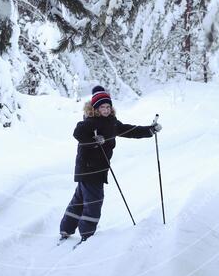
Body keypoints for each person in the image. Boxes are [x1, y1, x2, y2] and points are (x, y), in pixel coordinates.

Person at [59, 85, 162, 242]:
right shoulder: (91, 121)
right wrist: (94, 141)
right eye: (102, 107)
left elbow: (130, 131)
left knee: (80, 199)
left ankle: (66, 228)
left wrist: (149, 130)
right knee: (94, 201)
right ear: (95, 108)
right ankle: (87, 235)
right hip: (90, 169)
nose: (106, 109)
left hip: (94, 170)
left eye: (108, 106)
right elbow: (77, 132)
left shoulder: (111, 123)